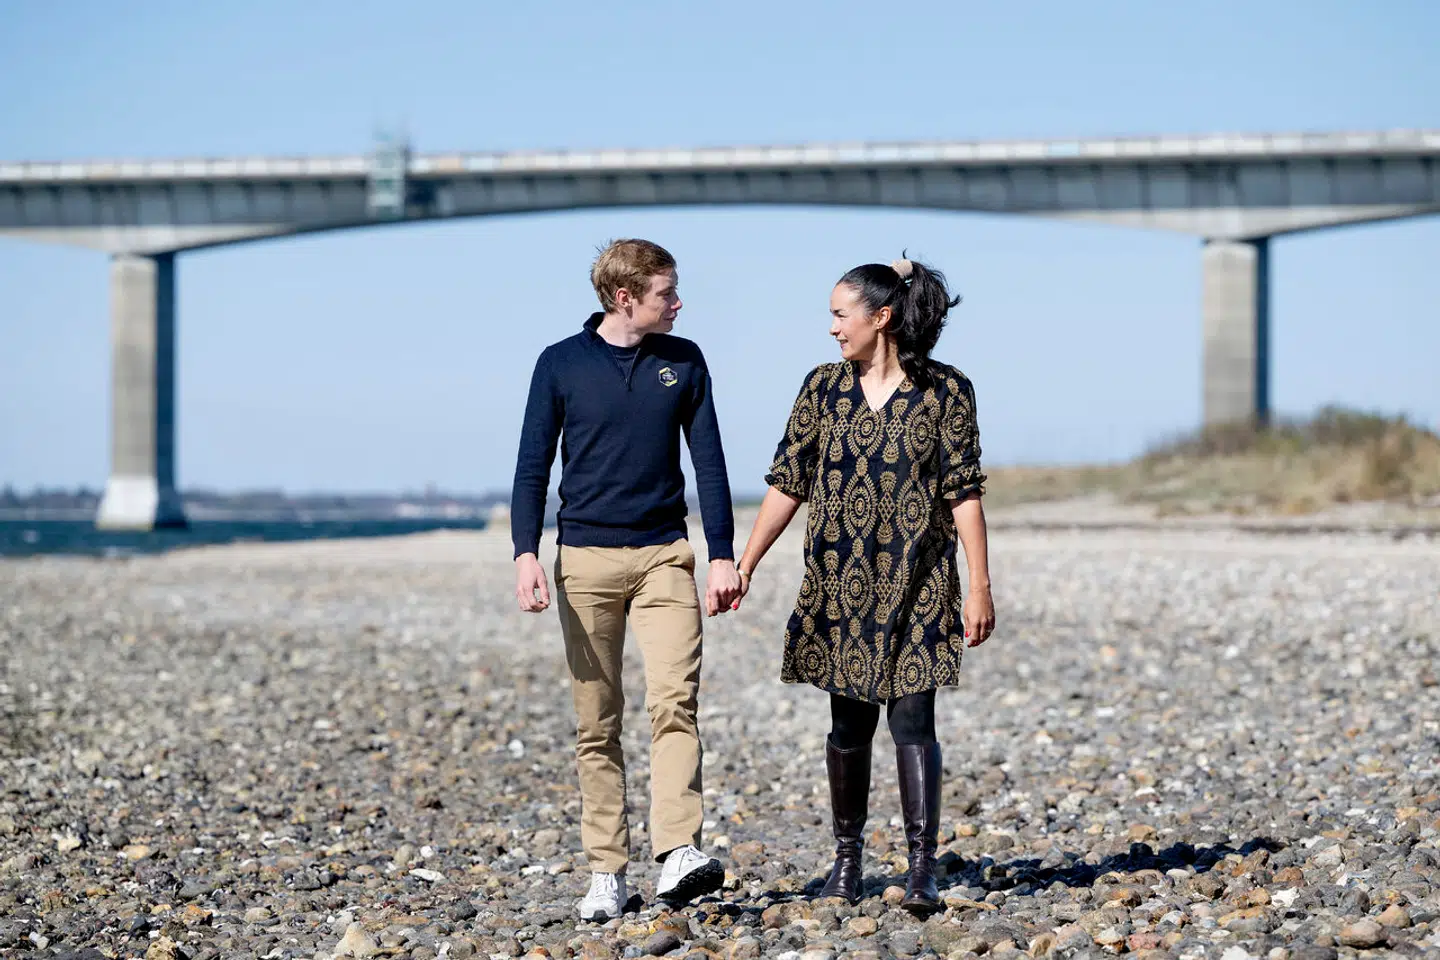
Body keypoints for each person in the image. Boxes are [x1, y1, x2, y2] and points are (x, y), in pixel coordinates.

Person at [731, 255, 996, 916]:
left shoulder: (947, 390)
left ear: (880, 318)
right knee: (848, 726)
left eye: (839, 314)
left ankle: (921, 870)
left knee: (914, 722)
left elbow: (964, 494)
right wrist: (746, 562)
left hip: (919, 581)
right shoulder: (822, 388)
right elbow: (787, 481)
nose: (831, 329)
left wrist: (981, 586)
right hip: (840, 583)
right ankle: (846, 864)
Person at [510, 239, 744, 921]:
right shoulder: (560, 364)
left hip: (665, 555)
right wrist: (526, 552)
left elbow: (711, 464)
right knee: (597, 721)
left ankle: (677, 850)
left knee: (675, 700)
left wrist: (722, 552)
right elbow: (532, 466)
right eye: (667, 293)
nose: (678, 303)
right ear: (625, 297)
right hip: (583, 561)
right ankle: (607, 871)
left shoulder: (684, 361)